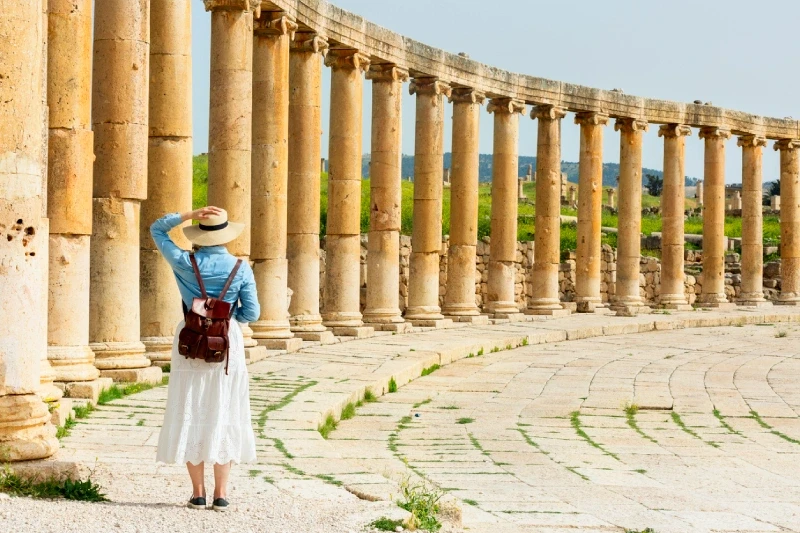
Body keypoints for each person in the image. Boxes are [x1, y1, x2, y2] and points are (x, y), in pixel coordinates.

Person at [152, 206, 259, 511]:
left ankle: (198, 493)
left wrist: (188, 214)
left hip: (190, 339)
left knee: (191, 406)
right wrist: (224, 316)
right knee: (224, 409)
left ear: (200, 233)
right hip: (226, 342)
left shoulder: (185, 262)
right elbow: (252, 313)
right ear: (226, 234)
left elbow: (157, 229)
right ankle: (221, 494)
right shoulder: (240, 268)